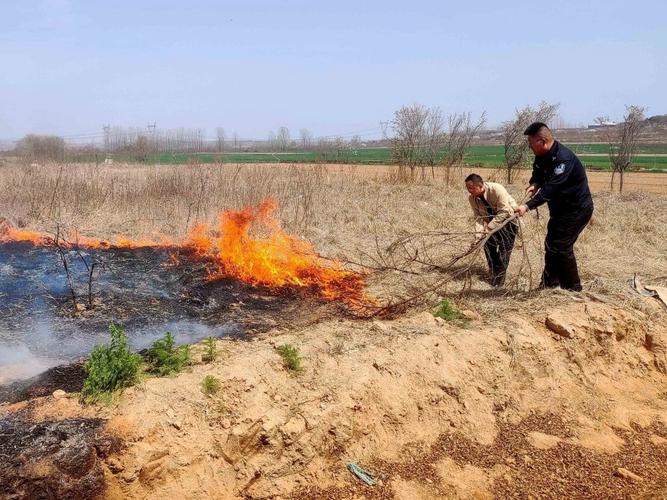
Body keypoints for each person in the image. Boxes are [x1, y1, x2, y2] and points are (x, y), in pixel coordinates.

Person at [515, 122, 593, 291]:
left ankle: (573, 288)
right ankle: (549, 284)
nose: (529, 146)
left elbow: (551, 189)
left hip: (576, 209)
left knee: (561, 247)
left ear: (542, 141)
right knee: (551, 245)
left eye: (531, 142)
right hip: (559, 210)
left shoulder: (563, 159)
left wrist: (527, 206)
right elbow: (539, 173)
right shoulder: (541, 155)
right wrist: (534, 183)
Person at [465, 173, 518, 287]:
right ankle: (494, 271)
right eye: (468, 188)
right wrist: (478, 236)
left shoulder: (496, 189)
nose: (470, 191)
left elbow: (504, 211)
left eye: (473, 188)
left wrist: (488, 228)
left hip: (508, 222)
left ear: (481, 185)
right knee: (489, 248)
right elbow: (478, 218)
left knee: (504, 251)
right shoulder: (472, 199)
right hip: (491, 225)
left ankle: (499, 280)